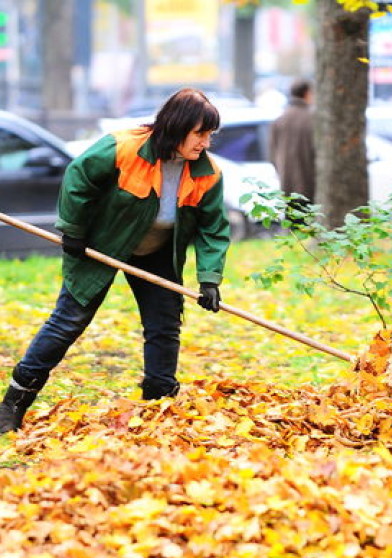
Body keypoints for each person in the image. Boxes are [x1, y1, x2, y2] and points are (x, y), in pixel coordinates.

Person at [0, 87, 230, 434]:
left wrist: (209, 278)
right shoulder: (124, 147)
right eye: (200, 133)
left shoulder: (206, 172)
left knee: (164, 328)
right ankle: (12, 405)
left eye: (209, 135)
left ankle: (157, 407)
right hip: (102, 244)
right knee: (68, 322)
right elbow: (79, 178)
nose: (205, 143)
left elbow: (214, 227)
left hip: (158, 252)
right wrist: (74, 230)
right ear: (176, 125)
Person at [268, 78, 316, 219]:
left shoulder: (279, 120)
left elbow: (272, 154)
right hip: (311, 184)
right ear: (307, 93)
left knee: (293, 229)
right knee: (312, 225)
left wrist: (282, 172)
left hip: (287, 183)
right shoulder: (313, 119)